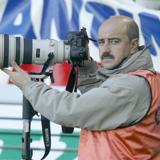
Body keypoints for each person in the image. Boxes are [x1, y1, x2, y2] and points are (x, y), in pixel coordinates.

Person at [4, 16, 160, 159]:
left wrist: (28, 86)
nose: (105, 49)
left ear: (133, 45)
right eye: (101, 42)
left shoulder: (131, 86)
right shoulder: (142, 79)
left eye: (114, 41)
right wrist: (86, 69)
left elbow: (71, 110)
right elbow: (103, 109)